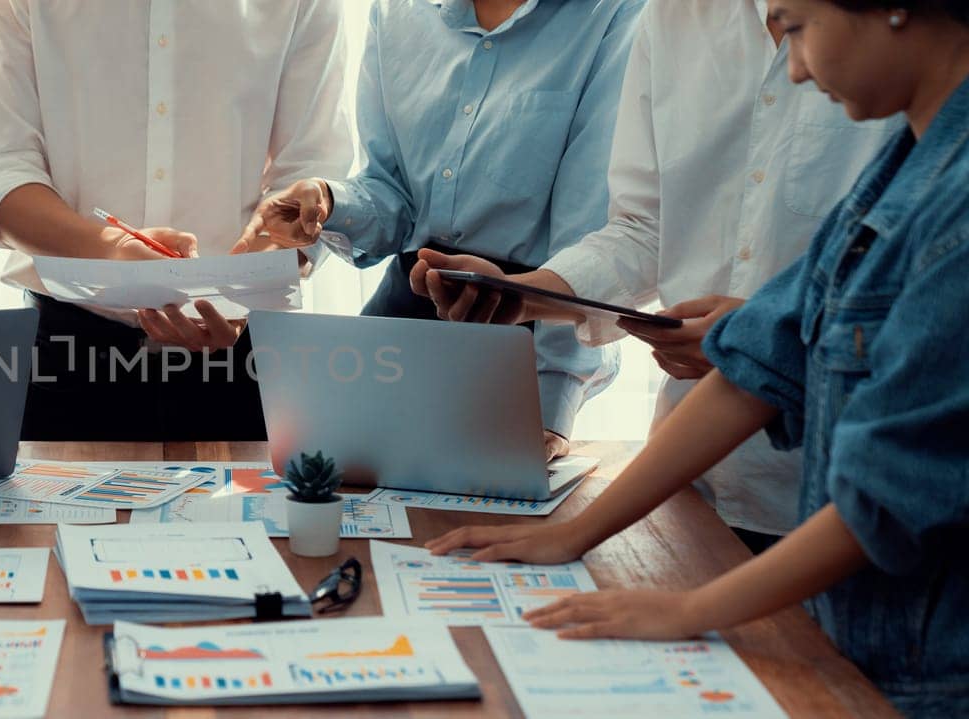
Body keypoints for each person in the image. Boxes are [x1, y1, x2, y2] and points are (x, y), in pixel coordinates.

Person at [428, 1, 969, 713]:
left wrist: (690, 610)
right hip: (852, 627)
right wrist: (573, 534)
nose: (797, 66)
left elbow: (885, 497)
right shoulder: (907, 162)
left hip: (927, 672)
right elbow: (759, 358)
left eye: (800, 27)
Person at [409, 0, 899, 552]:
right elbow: (645, 227)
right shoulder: (671, 16)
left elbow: (903, 307)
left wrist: (757, 339)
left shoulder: (911, 55)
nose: (799, 71)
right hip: (687, 476)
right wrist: (525, 295)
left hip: (849, 484)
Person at [242, 0, 641, 459]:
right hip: (403, 317)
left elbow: (588, 230)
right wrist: (330, 202)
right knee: (313, 493)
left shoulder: (614, 14)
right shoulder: (396, 13)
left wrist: (552, 401)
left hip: (528, 327)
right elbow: (393, 196)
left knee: (482, 523)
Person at [0, 0, 353, 441]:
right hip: (66, 354)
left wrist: (247, 290)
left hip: (244, 357)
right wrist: (107, 248)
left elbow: (314, 172)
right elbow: (0, 167)